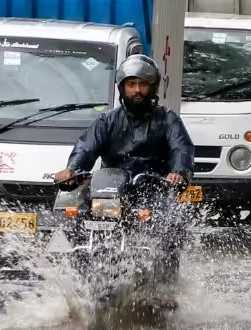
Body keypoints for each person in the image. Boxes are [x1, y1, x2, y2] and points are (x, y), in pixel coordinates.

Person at [54, 54, 195, 295]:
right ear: (122, 87)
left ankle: (165, 288)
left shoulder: (168, 120)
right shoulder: (107, 121)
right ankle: (78, 279)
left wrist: (178, 173)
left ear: (153, 87)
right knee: (76, 217)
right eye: (131, 84)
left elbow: (181, 149)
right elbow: (85, 148)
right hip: (110, 190)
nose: (137, 90)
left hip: (152, 190)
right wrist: (72, 170)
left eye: (142, 84)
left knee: (170, 222)